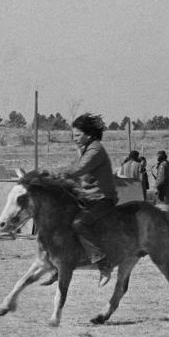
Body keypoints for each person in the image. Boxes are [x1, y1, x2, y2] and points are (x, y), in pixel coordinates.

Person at [58, 113, 118, 287]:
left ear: (89, 134)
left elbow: (80, 168)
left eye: (77, 135)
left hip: (102, 200)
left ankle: (103, 264)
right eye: (73, 135)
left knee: (79, 224)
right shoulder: (86, 149)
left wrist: (55, 173)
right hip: (88, 198)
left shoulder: (95, 150)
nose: (74, 139)